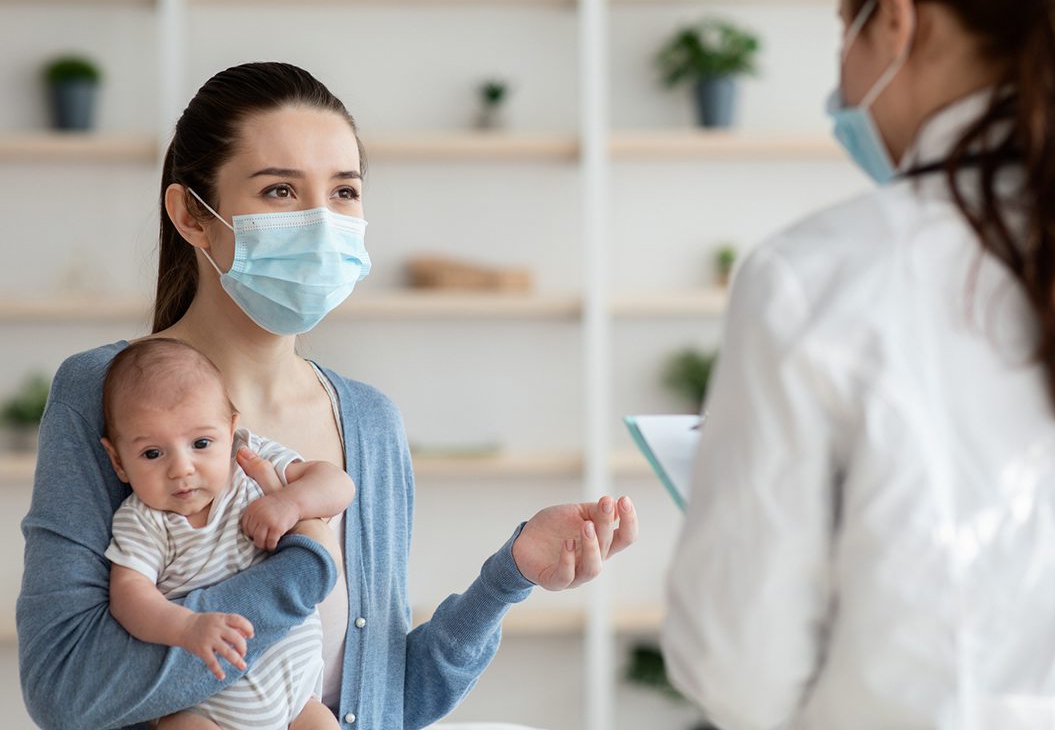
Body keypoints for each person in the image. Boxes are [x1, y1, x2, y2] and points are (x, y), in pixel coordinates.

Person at [663, 0, 1055, 728]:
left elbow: (739, 670)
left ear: (896, 17)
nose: (842, 84)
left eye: (843, 27)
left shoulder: (813, 280)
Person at [18, 61, 639, 730]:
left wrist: (509, 576)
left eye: (344, 192)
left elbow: (391, 702)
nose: (320, 221)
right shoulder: (105, 394)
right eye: (280, 191)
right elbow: (66, 693)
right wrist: (303, 568)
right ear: (192, 219)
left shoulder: (368, 423)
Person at [102, 337, 354, 729]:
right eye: (153, 453)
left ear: (232, 429)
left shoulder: (249, 464)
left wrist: (291, 503)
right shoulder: (145, 520)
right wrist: (185, 626)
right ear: (118, 461)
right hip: (206, 708)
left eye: (201, 443)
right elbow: (128, 597)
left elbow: (338, 485)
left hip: (296, 700)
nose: (181, 468)